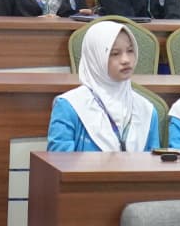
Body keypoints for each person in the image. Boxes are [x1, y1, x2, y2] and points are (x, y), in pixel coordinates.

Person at [47, 21, 158, 152]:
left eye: (130, 51)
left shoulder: (147, 110)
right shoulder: (70, 106)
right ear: (95, 57)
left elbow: (154, 162)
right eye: (115, 53)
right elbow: (59, 161)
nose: (126, 60)